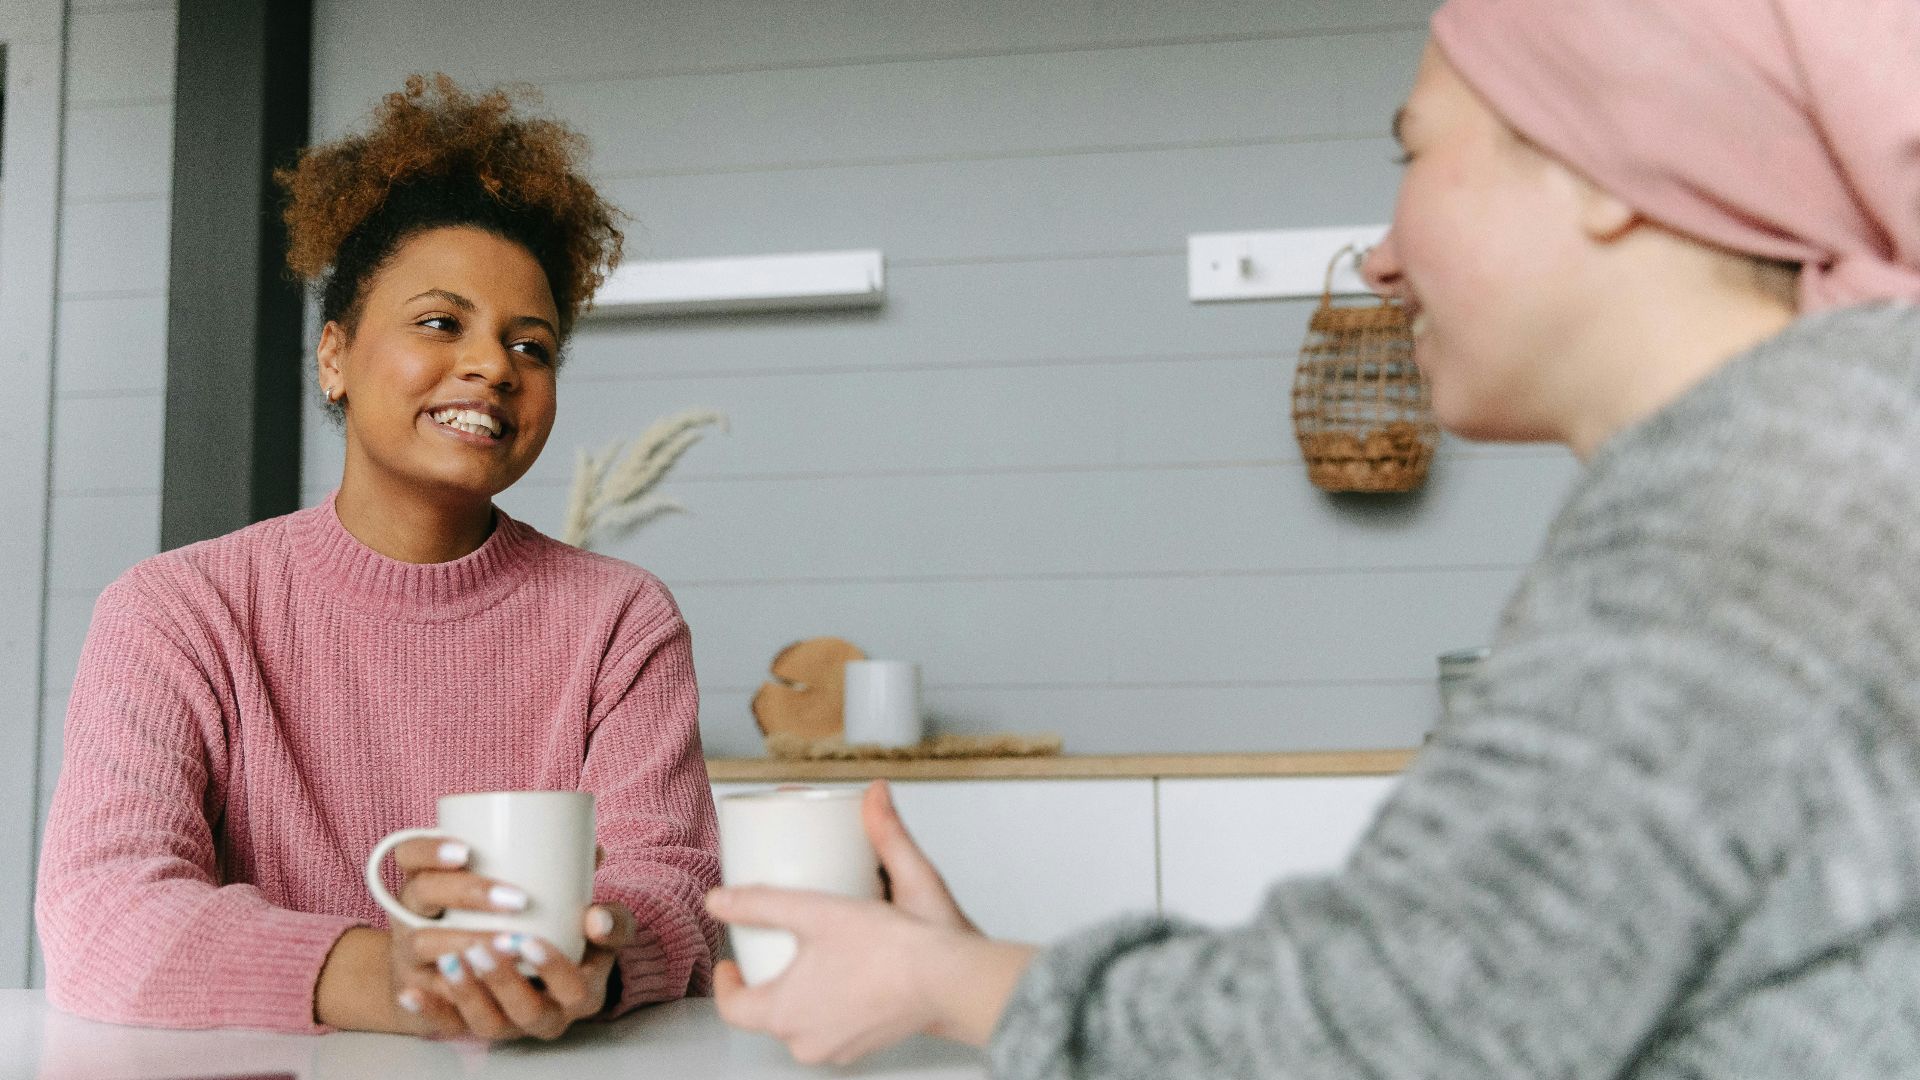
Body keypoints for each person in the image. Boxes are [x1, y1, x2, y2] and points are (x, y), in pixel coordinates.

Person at [703, 0, 1920, 1074]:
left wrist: (939, 982)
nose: (1382, 258)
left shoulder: (1745, 518)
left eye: (1414, 152)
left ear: (1612, 159)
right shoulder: (1827, 453)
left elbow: (1378, 1037)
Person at [36, 75, 721, 1040]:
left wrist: (599, 957)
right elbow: (102, 911)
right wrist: (392, 975)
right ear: (334, 358)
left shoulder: (620, 618)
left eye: (533, 346)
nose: (494, 365)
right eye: (442, 323)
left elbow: (676, 887)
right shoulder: (176, 612)